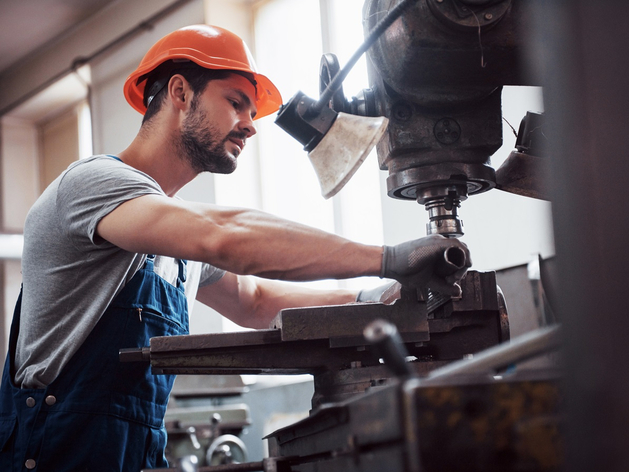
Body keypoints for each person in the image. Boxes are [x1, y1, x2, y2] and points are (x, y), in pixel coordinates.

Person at [0, 24, 471, 471]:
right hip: (58, 451)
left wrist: (375, 298)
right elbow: (225, 236)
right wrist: (390, 258)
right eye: (237, 103)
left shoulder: (169, 230)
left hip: (137, 454)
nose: (250, 126)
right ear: (180, 93)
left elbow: (254, 300)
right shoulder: (94, 185)